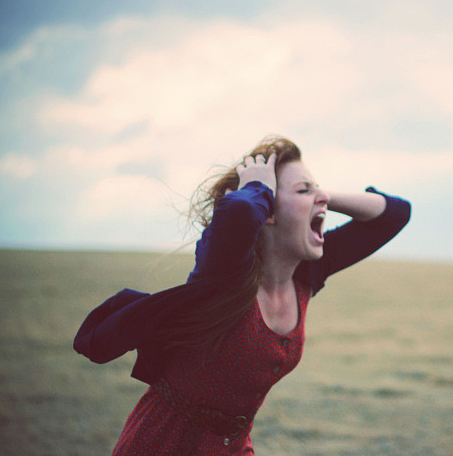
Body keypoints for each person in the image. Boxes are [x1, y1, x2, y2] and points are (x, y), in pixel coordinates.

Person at [73, 136, 411, 455]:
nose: (319, 197)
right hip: (164, 443)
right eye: (304, 190)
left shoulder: (304, 276)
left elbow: (395, 214)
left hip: (231, 446)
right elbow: (237, 215)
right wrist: (259, 187)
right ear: (268, 213)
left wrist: (321, 195)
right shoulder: (225, 272)